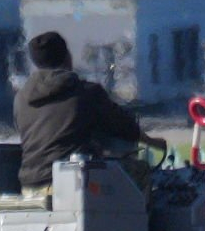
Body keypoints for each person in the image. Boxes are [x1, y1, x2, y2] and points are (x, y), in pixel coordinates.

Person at [13, 31, 166, 191]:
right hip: (73, 185)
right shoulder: (86, 93)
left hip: (30, 185)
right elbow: (126, 128)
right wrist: (153, 142)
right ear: (67, 57)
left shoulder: (21, 100)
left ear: (36, 63)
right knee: (139, 170)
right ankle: (142, 216)